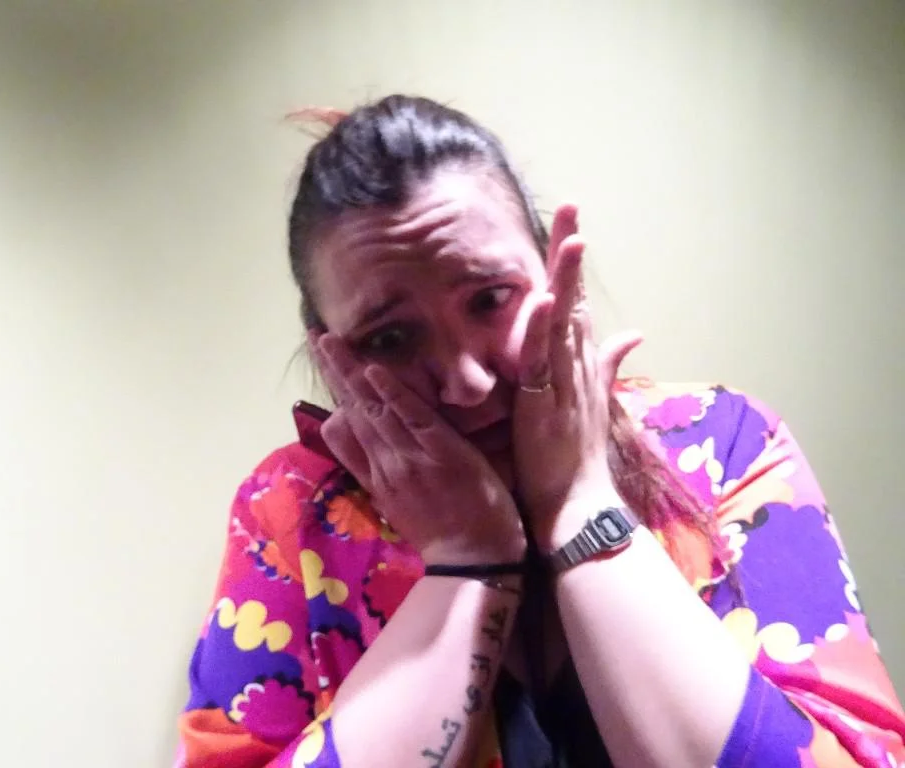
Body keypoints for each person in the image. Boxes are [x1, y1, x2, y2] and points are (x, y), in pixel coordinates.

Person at [174, 95, 905, 768]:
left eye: (491, 298)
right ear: (330, 356)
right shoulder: (289, 511)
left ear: (556, 277)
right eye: (390, 338)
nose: (467, 381)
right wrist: (467, 563)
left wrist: (582, 509)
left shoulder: (725, 441)